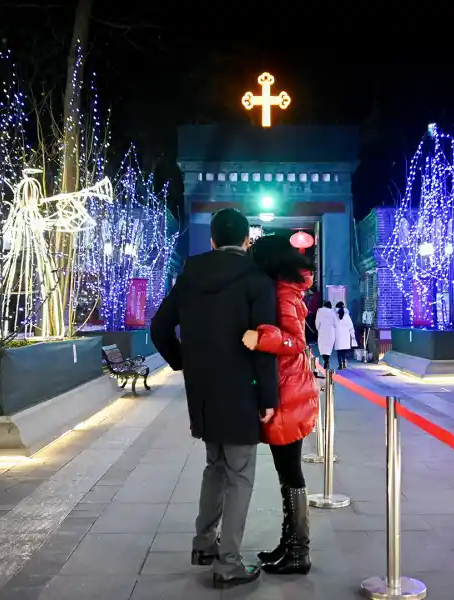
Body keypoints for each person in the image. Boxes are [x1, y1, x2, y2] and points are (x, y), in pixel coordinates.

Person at [150, 208, 279, 590]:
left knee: (215, 466)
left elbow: (159, 328)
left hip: (203, 390)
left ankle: (204, 543)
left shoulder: (190, 274)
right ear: (246, 241)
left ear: (211, 241)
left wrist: (184, 362)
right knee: (240, 474)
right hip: (241, 389)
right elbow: (264, 342)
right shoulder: (257, 279)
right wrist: (268, 395)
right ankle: (229, 563)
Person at [240, 234, 318, 575]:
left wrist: (262, 338)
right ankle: (289, 546)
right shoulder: (286, 288)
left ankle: (299, 552)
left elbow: (295, 341)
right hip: (290, 387)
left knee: (290, 473)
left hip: (288, 392)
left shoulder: (284, 292)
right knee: (287, 474)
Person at [333, 301, 357, 369]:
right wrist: (353, 335)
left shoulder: (334, 316)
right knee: (343, 351)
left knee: (339, 352)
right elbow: (351, 326)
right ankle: (344, 363)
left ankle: (340, 365)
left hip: (338, 335)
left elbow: (332, 326)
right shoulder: (347, 316)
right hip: (346, 336)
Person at [314, 300, 337, 370]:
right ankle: (327, 360)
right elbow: (336, 323)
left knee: (322, 348)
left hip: (322, 333)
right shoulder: (333, 313)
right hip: (331, 333)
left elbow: (317, 324)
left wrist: (318, 328)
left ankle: (325, 360)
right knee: (328, 349)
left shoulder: (319, 312)